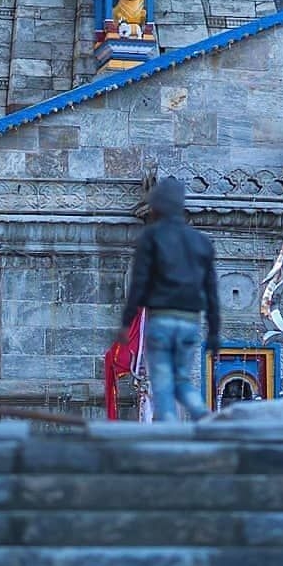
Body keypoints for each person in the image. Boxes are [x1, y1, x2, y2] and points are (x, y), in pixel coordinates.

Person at [119, 176, 219, 421]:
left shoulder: (151, 238)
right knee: (182, 379)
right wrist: (215, 332)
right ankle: (201, 413)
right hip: (190, 321)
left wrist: (126, 321)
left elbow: (140, 283)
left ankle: (168, 434)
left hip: (162, 319)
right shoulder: (201, 242)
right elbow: (211, 290)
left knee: (162, 381)